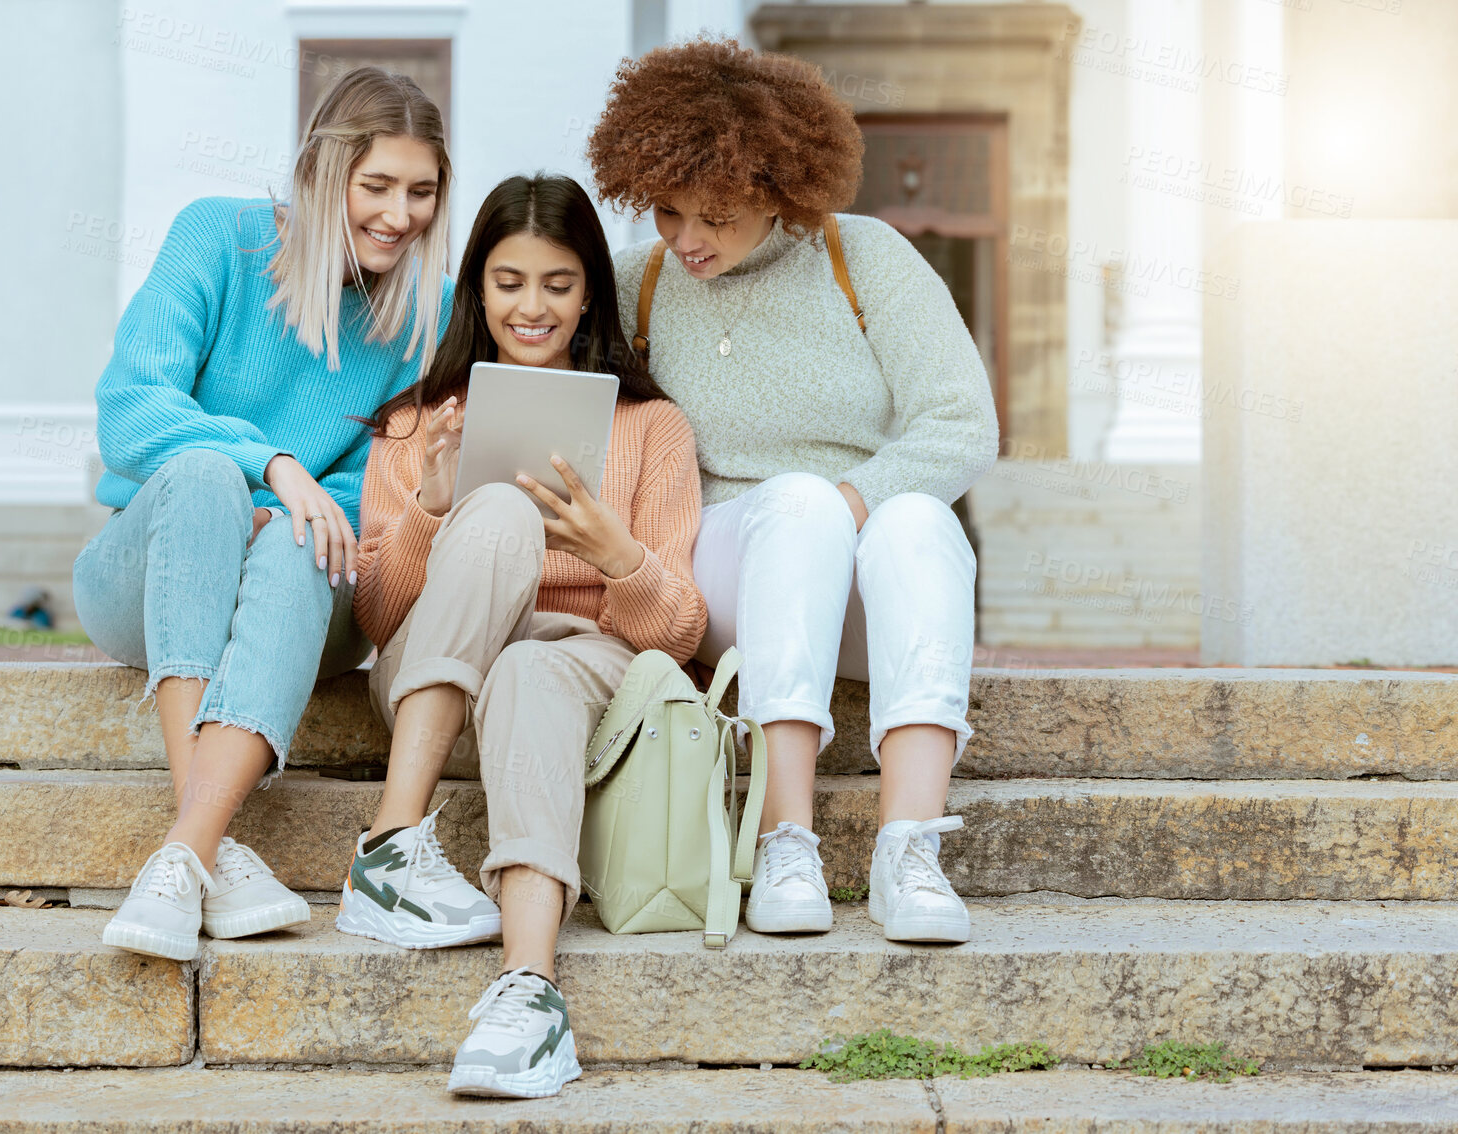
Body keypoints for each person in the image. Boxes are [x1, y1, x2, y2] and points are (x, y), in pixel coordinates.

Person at [588, 40, 999, 943]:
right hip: (727, 567)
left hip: (855, 577)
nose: (687, 239)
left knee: (920, 519)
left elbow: (962, 426)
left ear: (780, 192)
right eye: (666, 211)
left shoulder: (870, 260)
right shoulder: (636, 285)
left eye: (719, 217)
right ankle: (785, 840)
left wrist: (855, 502)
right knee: (800, 505)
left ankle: (910, 851)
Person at [74, 67, 453, 961]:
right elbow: (131, 409)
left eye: (423, 191)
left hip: (306, 590)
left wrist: (297, 505)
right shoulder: (219, 239)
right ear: (323, 175)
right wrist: (273, 466)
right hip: (150, 567)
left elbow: (377, 489)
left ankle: (185, 857)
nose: (401, 214)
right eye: (377, 186)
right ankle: (205, 841)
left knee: (300, 536)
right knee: (206, 472)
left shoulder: (426, 315)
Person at [346, 174, 706, 1098]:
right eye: (509, 283)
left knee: (532, 671)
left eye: (557, 282)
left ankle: (530, 991)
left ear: (590, 291)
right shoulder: (416, 420)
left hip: (579, 655)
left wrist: (617, 554)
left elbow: (680, 631)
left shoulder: (652, 426)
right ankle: (391, 849)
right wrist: (430, 508)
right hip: (436, 655)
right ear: (478, 289)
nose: (532, 306)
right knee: (499, 509)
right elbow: (376, 620)